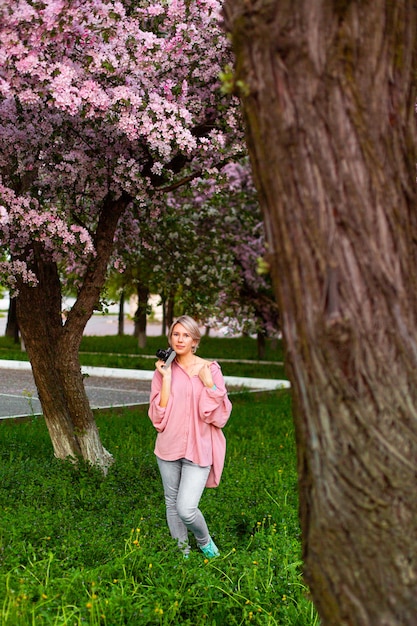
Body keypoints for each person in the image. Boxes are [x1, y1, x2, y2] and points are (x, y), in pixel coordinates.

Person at [148, 315, 232, 559]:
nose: (180, 339)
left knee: (186, 508)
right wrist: (166, 379)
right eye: (176, 334)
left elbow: (218, 415)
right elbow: (158, 417)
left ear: (195, 340)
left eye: (185, 335)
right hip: (168, 447)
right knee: (171, 504)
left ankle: (205, 542)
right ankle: (181, 554)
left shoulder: (210, 369)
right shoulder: (163, 370)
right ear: (170, 338)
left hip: (199, 448)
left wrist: (210, 387)